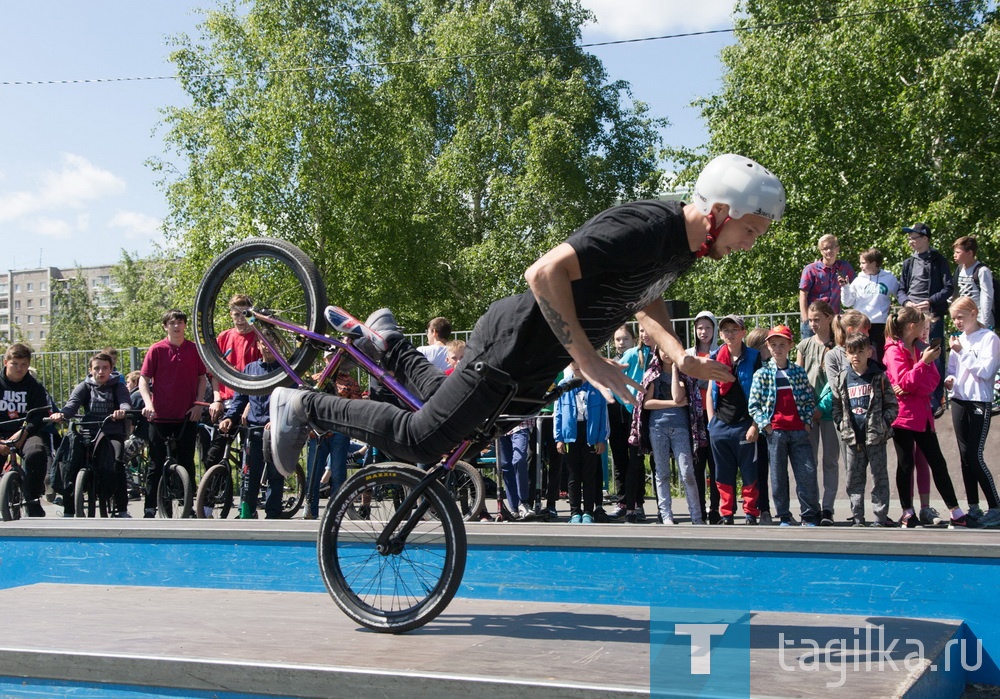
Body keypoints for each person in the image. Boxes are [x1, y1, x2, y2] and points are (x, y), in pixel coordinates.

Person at [268, 155, 786, 496]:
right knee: (426, 439)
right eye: (750, 230)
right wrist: (586, 355)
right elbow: (544, 272)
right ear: (719, 211)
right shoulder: (645, 227)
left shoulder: (687, 247)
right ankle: (301, 404)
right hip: (513, 346)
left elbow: (646, 298)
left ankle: (388, 343)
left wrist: (679, 354)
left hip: (534, 360)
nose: (749, 243)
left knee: (458, 427)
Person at [884, 306, 979, 528]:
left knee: (938, 461)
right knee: (905, 464)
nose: (926, 331)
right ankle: (908, 511)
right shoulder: (893, 351)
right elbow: (904, 381)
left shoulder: (922, 348)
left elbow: (931, 383)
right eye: (923, 326)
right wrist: (921, 365)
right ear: (912, 327)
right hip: (903, 416)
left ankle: (955, 511)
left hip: (923, 414)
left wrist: (914, 380)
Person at [139, 309, 208, 518]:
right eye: (172, 323)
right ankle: (151, 507)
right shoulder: (157, 349)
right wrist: (148, 404)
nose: (176, 326)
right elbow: (143, 379)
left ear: (185, 325)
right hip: (159, 416)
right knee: (156, 463)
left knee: (186, 461)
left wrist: (198, 404)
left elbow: (202, 378)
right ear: (165, 326)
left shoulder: (194, 349)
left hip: (186, 415)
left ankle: (187, 506)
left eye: (179, 322)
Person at [748, 325, 819, 527]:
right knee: (778, 476)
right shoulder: (762, 374)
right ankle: (784, 515)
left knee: (806, 472)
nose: (777, 349)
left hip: (798, 431)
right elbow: (754, 405)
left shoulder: (798, 372)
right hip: (776, 432)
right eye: (773, 345)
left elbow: (807, 399)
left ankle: (808, 515)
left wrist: (806, 422)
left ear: (790, 346)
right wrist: (766, 426)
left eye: (782, 344)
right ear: (768, 347)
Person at [50, 352, 133, 517]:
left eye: (105, 368)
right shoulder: (84, 386)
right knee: (70, 463)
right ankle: (68, 510)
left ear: (111, 369)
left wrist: (123, 411)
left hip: (111, 433)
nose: (101, 372)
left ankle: (122, 509)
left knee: (117, 463)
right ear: (90, 370)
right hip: (88, 432)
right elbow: (71, 405)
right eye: (97, 368)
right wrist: (61, 415)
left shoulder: (118, 386)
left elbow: (125, 402)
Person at [830, 332, 899, 527]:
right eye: (851, 352)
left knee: (879, 478)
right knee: (853, 479)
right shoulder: (843, 377)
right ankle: (858, 517)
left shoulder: (879, 376)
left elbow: (892, 405)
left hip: (875, 438)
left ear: (869, 352)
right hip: (853, 439)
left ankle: (879, 517)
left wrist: (883, 425)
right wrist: (841, 423)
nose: (856, 356)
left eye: (860, 351)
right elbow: (836, 404)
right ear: (846, 354)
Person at [631, 345, 705, 525]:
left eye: (669, 349)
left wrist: (674, 369)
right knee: (661, 472)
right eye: (662, 349)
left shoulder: (683, 375)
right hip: (657, 427)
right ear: (657, 352)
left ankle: (696, 516)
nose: (666, 353)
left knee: (687, 472)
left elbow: (679, 396)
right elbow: (647, 403)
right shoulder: (652, 374)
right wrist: (673, 404)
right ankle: (666, 515)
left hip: (680, 428)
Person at [945, 296, 1000, 526]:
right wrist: (950, 381)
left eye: (960, 317)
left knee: (974, 455)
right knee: (964, 457)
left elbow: (986, 371)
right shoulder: (958, 340)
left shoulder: (989, 338)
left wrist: (963, 351)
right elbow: (953, 369)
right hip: (959, 400)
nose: (957, 322)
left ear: (974, 314)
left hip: (979, 401)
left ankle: (995, 506)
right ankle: (974, 506)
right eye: (953, 318)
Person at [218, 336, 286, 518]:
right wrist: (229, 418)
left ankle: (273, 514)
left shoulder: (285, 370)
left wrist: (277, 419)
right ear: (258, 344)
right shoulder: (251, 369)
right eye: (264, 342)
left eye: (272, 342)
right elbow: (240, 398)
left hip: (276, 429)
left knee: (274, 474)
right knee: (249, 473)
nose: (267, 347)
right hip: (254, 429)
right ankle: (247, 511)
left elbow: (291, 400)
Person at [706, 314, 763, 525]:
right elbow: (711, 389)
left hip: (745, 424)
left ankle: (750, 513)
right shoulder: (715, 357)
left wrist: (756, 424)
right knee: (722, 473)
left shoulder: (755, 357)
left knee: (749, 472)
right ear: (720, 334)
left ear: (743, 332)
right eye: (726, 331)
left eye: (734, 330)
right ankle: (726, 514)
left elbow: (761, 394)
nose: (730, 334)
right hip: (720, 424)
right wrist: (712, 422)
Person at [898, 222, 953, 415]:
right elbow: (900, 290)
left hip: (932, 315)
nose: (911, 241)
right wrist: (906, 303)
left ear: (925, 239)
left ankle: (936, 400)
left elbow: (948, 288)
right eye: (910, 238)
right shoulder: (908, 262)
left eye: (915, 238)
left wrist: (930, 302)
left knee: (934, 354)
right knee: (910, 352)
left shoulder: (939, 260)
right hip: (911, 314)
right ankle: (913, 394)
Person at [795, 300, 839, 526]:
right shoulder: (804, 345)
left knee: (830, 460)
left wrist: (822, 408)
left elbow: (837, 382)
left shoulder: (838, 344)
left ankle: (828, 507)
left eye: (817, 319)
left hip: (830, 412)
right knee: (808, 460)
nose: (813, 324)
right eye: (810, 320)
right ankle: (811, 506)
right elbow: (798, 378)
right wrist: (805, 409)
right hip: (808, 413)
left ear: (829, 318)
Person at [206, 294, 262, 466]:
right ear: (231, 315)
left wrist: (250, 404)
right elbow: (213, 372)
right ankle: (220, 490)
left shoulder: (260, 338)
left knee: (250, 454)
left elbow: (264, 376)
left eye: (244, 314)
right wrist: (217, 399)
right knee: (214, 454)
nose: (240, 319)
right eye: (236, 314)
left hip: (250, 401)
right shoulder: (224, 337)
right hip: (226, 401)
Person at [0, 343, 52, 517]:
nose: (19, 368)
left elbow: (40, 415)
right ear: (5, 362)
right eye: (15, 363)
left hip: (26, 432)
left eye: (24, 365)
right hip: (0, 433)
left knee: (37, 452)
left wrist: (23, 433)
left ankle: (32, 499)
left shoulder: (34, 387)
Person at [554, 362, 608, 523]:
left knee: (589, 475)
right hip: (571, 433)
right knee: (573, 475)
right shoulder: (564, 385)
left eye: (580, 360)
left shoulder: (597, 385)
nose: (577, 365)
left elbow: (603, 415)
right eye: (572, 362)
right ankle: (575, 512)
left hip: (590, 434)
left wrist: (601, 438)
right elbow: (558, 413)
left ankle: (588, 512)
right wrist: (559, 438)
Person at [610, 324, 652, 521]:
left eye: (625, 338)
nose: (621, 343)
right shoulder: (623, 358)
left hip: (637, 412)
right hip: (617, 413)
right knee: (620, 459)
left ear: (633, 340)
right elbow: (611, 378)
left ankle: (637, 502)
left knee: (637, 458)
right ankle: (624, 501)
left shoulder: (645, 354)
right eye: (618, 339)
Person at [686, 311, 721, 523]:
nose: (703, 332)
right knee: (696, 465)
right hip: (693, 417)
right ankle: (698, 510)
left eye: (707, 327)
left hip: (715, 415)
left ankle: (715, 510)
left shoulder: (720, 352)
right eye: (699, 327)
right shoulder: (688, 354)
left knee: (715, 465)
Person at [840, 248, 898, 361]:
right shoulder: (858, 280)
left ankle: (878, 378)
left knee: (878, 356)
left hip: (879, 324)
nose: (861, 266)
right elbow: (847, 303)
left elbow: (899, 294)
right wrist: (845, 287)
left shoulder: (889, 278)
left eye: (863, 263)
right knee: (860, 354)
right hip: (860, 325)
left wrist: (909, 303)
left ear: (874, 263)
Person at [798, 234, 855, 339]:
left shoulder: (844, 267)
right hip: (814, 319)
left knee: (834, 351)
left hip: (834, 320)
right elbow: (803, 295)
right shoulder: (811, 269)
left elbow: (857, 286)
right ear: (820, 251)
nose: (829, 251)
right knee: (810, 352)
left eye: (832, 247)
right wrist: (806, 319)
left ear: (837, 249)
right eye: (825, 248)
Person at [953, 236, 994, 329]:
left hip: (980, 321)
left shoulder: (982, 270)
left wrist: (984, 324)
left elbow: (987, 298)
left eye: (958, 252)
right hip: (965, 321)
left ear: (970, 253)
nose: (954, 255)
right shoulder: (959, 269)